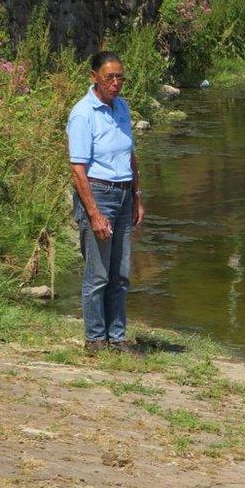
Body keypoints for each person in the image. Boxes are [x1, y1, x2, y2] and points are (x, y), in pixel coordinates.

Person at [66, 50, 145, 353]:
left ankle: (118, 337)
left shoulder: (122, 108)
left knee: (121, 273)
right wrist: (95, 213)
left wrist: (137, 196)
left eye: (120, 77)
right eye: (109, 77)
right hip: (98, 193)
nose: (115, 83)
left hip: (124, 193)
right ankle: (95, 339)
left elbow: (130, 155)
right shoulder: (83, 114)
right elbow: (77, 170)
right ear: (94, 77)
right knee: (98, 273)